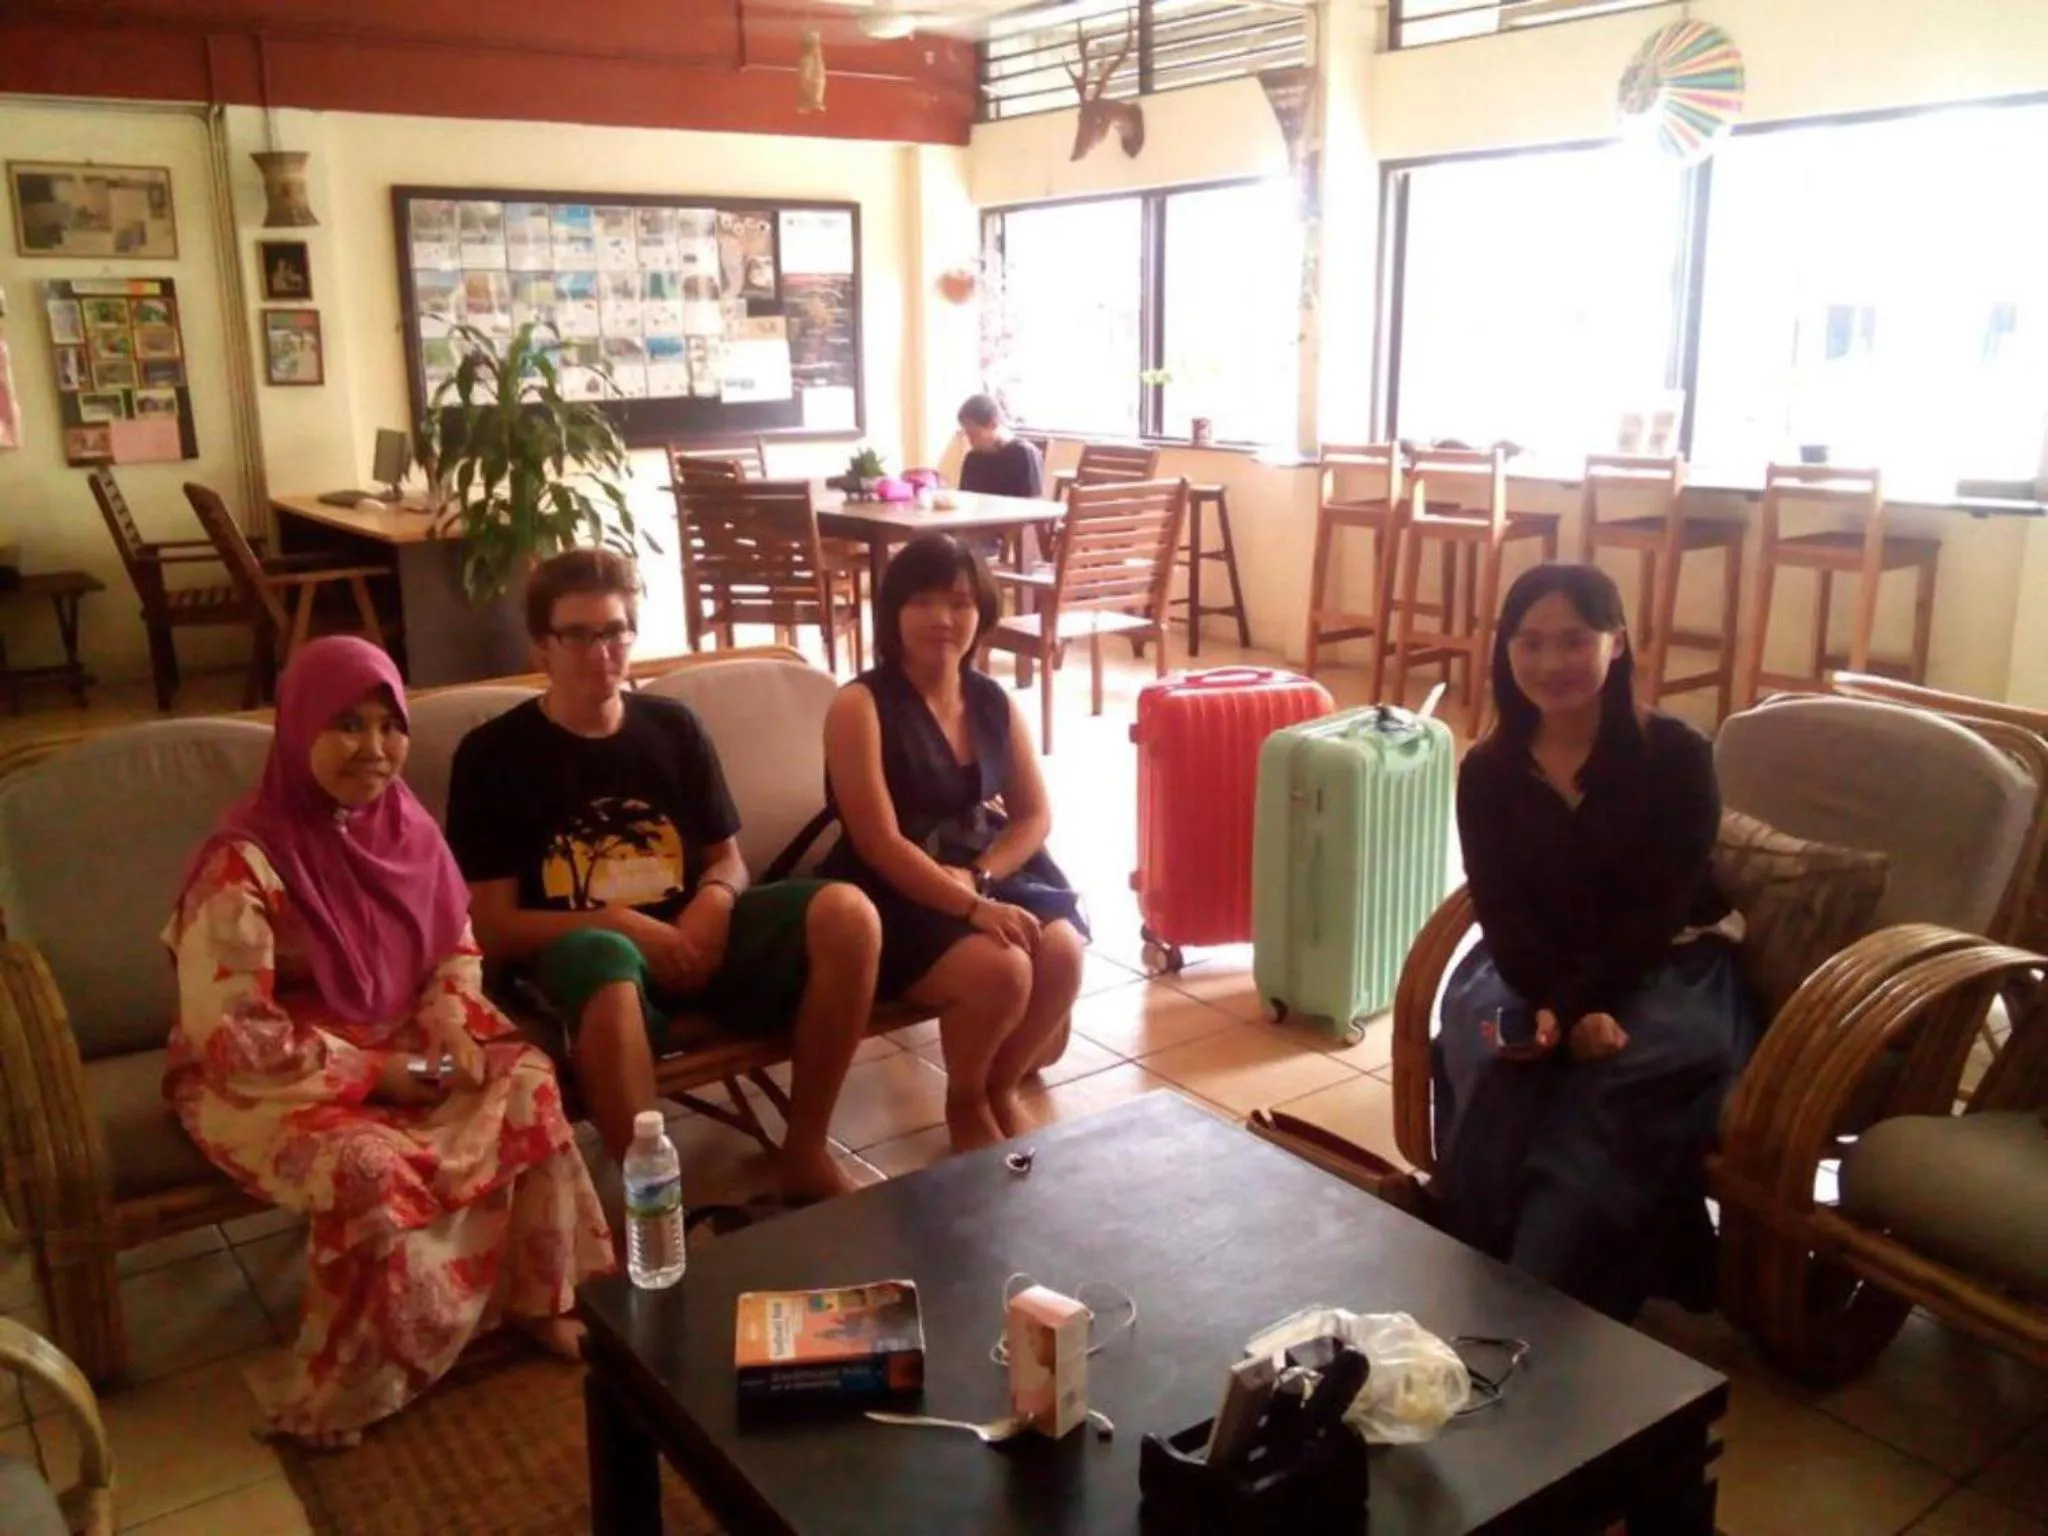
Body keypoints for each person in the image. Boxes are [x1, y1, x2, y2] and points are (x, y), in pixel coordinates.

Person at [163, 637, 611, 1448]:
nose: (373, 750)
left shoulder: (404, 826)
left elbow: (456, 942)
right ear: (299, 730)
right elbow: (231, 1037)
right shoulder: (245, 862)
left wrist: (445, 1012)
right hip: (270, 1079)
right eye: (345, 725)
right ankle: (361, 1379)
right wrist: (379, 1073)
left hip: (403, 1040)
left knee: (527, 1080)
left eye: (387, 726)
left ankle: (538, 1301)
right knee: (368, 1166)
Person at [446, 548, 881, 1205]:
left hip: (695, 940)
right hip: (583, 958)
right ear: (542, 647)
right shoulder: (494, 756)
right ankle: (652, 1200)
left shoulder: (673, 727)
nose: (601, 652)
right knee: (608, 958)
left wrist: (714, 899)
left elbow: (726, 857)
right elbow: (493, 926)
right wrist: (621, 922)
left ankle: (805, 1148)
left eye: (615, 631)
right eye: (578, 635)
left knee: (849, 913)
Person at [1430, 563, 1756, 1321]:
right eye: (1530, 643)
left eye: (1574, 640)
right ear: (1505, 652)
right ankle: (1476, 1253)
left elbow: (1657, 907)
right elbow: (1503, 911)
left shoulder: (1675, 754)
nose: (1551, 664)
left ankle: (1547, 1292)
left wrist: (1578, 1006)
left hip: (1671, 959)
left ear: (1617, 643)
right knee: (1492, 1054)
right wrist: (1559, 1008)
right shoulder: (1488, 769)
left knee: (1618, 1086)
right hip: (1534, 960)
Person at [820, 534, 1086, 1151]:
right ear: (894, 613)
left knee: (1063, 952)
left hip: (979, 865)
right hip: (891, 884)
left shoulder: (990, 699)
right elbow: (878, 839)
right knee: (1002, 970)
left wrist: (984, 878)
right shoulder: (859, 705)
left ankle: (1000, 1084)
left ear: (983, 615)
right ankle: (965, 1096)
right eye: (925, 601)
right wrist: (969, 904)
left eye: (962, 603)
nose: (944, 619)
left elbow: (1034, 815)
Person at [955, 394, 1043, 500]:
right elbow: (965, 499)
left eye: (975, 435)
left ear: (993, 424)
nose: (971, 442)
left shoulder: (1024, 454)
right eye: (968, 435)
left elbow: (1033, 505)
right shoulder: (973, 458)